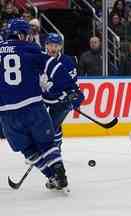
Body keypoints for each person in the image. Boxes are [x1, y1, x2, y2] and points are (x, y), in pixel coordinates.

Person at [0, 19, 69, 191]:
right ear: (22, 34)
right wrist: (67, 86)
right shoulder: (30, 48)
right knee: (47, 143)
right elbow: (52, 64)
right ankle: (59, 172)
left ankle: (51, 176)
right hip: (32, 107)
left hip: (7, 113)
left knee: (27, 149)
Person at [41, 33, 84, 151]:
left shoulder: (68, 61)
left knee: (52, 127)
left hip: (61, 99)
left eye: (56, 45)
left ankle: (54, 149)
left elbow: (73, 85)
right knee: (41, 126)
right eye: (50, 45)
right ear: (46, 45)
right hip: (43, 97)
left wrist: (74, 98)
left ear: (60, 47)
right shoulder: (39, 58)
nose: (53, 48)